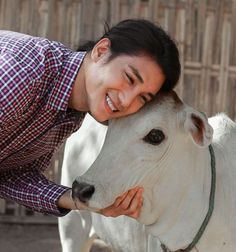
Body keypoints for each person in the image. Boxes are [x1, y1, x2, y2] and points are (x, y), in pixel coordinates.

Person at [0, 19, 180, 219]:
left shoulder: (70, 113)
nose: (127, 101)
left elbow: (9, 175)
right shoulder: (25, 73)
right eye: (129, 78)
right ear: (101, 51)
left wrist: (81, 200)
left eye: (142, 98)